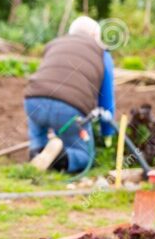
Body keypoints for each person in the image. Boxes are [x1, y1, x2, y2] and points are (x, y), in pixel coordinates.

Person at [24, 16, 116, 172]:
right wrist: (107, 133)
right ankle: (60, 158)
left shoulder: (55, 44)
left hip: (34, 100)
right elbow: (106, 101)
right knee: (85, 154)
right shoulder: (102, 53)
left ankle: (37, 151)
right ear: (95, 36)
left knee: (38, 132)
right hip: (69, 107)